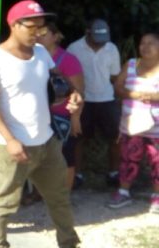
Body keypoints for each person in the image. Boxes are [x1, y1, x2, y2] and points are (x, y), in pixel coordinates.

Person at [0, 0, 81, 248]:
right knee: (4, 204)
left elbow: (58, 81)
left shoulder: (42, 53)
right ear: (13, 24)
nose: (38, 33)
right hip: (12, 147)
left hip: (47, 142)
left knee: (59, 198)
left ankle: (69, 243)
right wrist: (11, 139)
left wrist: (72, 94)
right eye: (32, 28)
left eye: (42, 28)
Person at [107, 32, 159, 213]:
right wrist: (134, 94)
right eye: (143, 43)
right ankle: (123, 192)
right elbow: (118, 87)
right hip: (132, 125)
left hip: (157, 129)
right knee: (128, 159)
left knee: (158, 161)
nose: (145, 47)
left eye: (151, 43)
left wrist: (153, 96)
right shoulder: (130, 64)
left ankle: (157, 197)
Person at [68, 18, 122, 187]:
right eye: (96, 41)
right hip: (84, 101)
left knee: (115, 138)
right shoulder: (74, 48)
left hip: (107, 99)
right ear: (87, 32)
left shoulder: (111, 48)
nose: (100, 45)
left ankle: (114, 173)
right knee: (78, 139)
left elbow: (114, 76)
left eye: (102, 41)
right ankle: (77, 175)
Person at [38, 22, 85, 189]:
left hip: (62, 117)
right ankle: (41, 193)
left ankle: (63, 196)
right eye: (36, 32)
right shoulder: (30, 58)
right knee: (39, 158)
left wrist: (75, 117)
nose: (38, 36)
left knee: (65, 158)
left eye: (43, 33)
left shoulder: (68, 60)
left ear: (56, 36)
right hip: (37, 117)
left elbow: (78, 92)